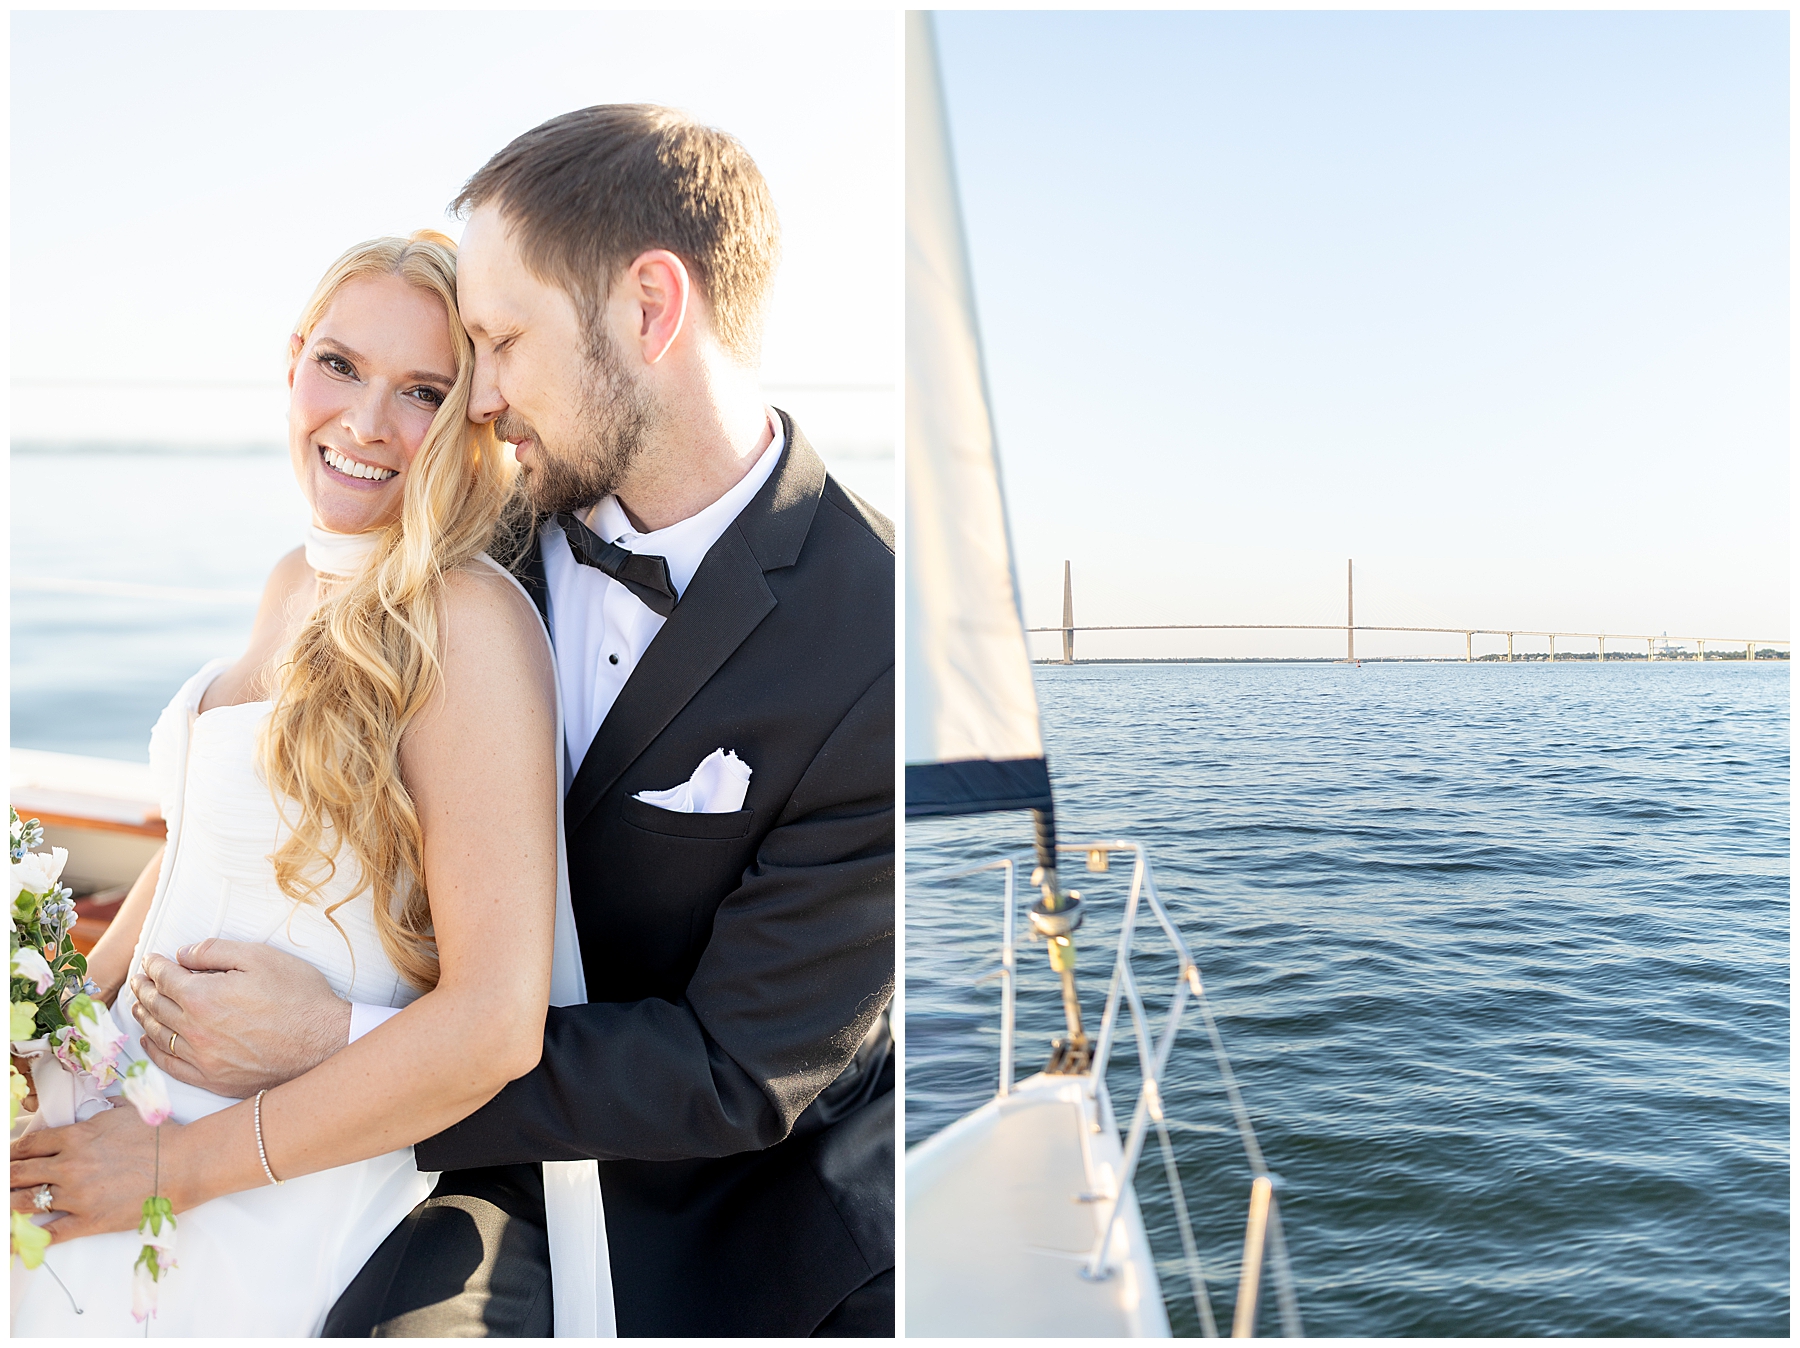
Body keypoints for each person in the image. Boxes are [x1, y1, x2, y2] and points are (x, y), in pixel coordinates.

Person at [29, 106, 897, 1336]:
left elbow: (737, 1074)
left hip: (711, 1199)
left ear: (651, 310)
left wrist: (337, 1039)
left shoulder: (876, 643)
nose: (473, 401)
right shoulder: (458, 524)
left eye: (492, 343)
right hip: (426, 1140)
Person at [9, 232, 610, 1335]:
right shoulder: (296, 577)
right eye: (340, 365)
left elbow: (493, 1026)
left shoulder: (467, 626)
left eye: (422, 391)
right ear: (293, 361)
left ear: (475, 419)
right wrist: (61, 1015)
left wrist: (168, 1168)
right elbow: (201, 841)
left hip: (253, 1167)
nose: (368, 422)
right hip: (126, 1096)